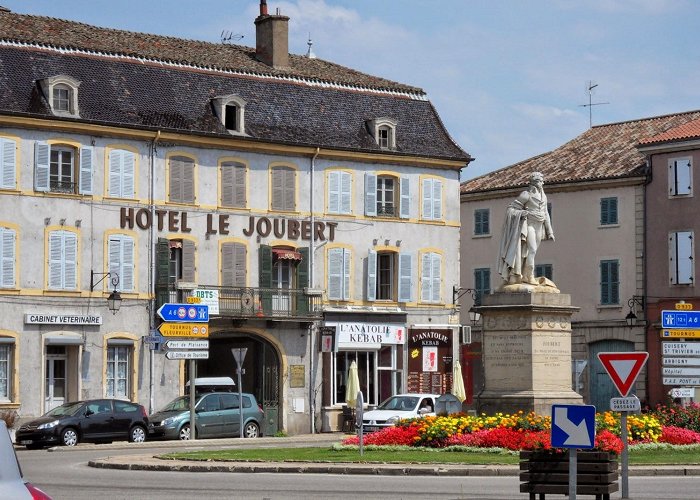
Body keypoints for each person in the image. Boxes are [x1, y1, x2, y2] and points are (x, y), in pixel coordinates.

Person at [497, 171, 555, 285]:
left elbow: (546, 213)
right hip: (529, 225)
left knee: (528, 252)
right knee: (532, 249)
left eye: (542, 181)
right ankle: (530, 276)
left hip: (539, 226)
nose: (542, 183)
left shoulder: (544, 196)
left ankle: (523, 275)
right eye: (539, 181)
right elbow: (511, 209)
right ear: (534, 182)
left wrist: (550, 231)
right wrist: (523, 213)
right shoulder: (526, 194)